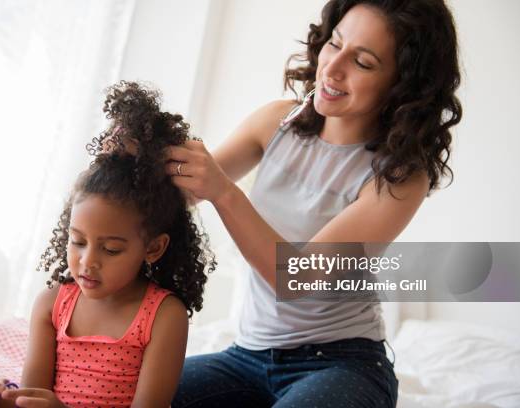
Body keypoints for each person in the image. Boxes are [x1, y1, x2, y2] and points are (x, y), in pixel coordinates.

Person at [166, 0, 461, 407]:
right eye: (334, 44)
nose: (333, 68)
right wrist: (141, 162)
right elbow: (181, 192)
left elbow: (299, 281)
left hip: (341, 364)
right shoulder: (275, 124)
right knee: (123, 391)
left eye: (363, 62)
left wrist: (224, 192)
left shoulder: (398, 176)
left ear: (402, 84)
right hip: (246, 356)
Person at [0, 82, 215, 408]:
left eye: (111, 249)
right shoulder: (52, 305)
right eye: (78, 241)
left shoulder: (163, 316)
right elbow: (29, 400)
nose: (88, 261)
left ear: (154, 248)